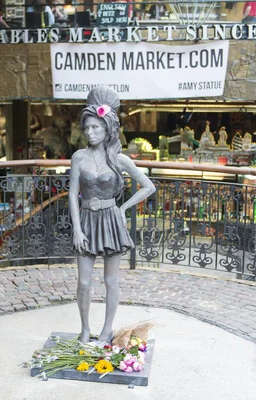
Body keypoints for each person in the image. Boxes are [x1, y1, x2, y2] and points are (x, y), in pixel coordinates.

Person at [69, 87, 155, 344]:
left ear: (107, 130)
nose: (90, 132)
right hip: (86, 220)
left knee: (110, 280)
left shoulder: (119, 159)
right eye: (87, 128)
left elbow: (148, 186)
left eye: (96, 128)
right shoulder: (78, 157)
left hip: (111, 221)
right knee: (84, 282)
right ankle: (85, 328)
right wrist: (76, 228)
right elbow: (73, 194)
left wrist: (123, 208)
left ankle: (106, 329)